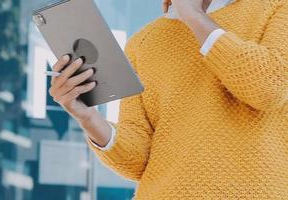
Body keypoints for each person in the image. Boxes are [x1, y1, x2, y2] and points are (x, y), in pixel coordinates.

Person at [49, 0, 288, 199]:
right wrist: (88, 117)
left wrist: (193, 16)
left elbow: (269, 87)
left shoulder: (277, 8)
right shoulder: (143, 42)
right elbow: (137, 161)